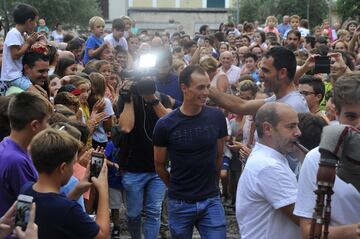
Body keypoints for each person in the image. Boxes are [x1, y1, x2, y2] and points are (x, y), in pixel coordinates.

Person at [153, 65, 227, 239]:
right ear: (184, 88)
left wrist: (213, 184)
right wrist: (175, 188)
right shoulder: (165, 124)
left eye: (208, 87)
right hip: (179, 202)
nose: (206, 92)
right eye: (200, 87)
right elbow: (159, 165)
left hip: (211, 199)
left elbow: (219, 155)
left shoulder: (216, 117)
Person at [294, 72, 360, 239]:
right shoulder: (316, 159)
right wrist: (353, 231)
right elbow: (307, 230)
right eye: (351, 116)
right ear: (336, 113)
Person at [20, 128, 110, 239]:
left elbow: (21, 228)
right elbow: (102, 235)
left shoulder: (25, 190)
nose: (73, 170)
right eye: (73, 164)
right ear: (63, 168)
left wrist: (78, 190)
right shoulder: (69, 210)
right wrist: (103, 190)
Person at [116, 78, 172, 239]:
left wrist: (152, 99)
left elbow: (169, 123)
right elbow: (126, 127)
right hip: (133, 166)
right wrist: (128, 99)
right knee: (134, 213)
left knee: (154, 211)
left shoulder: (162, 97)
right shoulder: (126, 99)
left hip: (158, 167)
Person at [236, 102, 301, 239]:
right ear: (267, 129)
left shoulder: (269, 159)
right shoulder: (269, 166)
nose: (298, 132)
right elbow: (304, 219)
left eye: (297, 125)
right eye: (291, 126)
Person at [209, 46, 309, 115]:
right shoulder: (279, 99)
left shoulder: (292, 106)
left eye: (265, 71)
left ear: (282, 73)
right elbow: (241, 105)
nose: (260, 75)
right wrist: (204, 86)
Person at [0, 92, 52, 217]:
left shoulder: (5, 144)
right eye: (47, 121)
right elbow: (33, 207)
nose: (49, 127)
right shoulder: (16, 161)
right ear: (34, 125)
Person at [0, 3, 39, 95]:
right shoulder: (13, 33)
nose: (36, 24)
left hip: (18, 74)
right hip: (13, 77)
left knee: (41, 91)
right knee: (37, 95)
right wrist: (28, 43)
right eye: (35, 21)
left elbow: (23, 52)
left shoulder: (21, 34)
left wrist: (30, 45)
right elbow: (15, 55)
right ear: (29, 21)